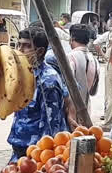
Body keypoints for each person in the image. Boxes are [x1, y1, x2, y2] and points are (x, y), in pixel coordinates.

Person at [8, 27, 73, 159]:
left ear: (40, 51)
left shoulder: (47, 81)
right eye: (19, 44)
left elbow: (50, 127)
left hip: (35, 151)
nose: (20, 50)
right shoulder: (23, 74)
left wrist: (41, 158)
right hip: (20, 145)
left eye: (27, 46)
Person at [67, 24, 99, 110]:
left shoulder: (71, 57)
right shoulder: (94, 59)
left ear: (72, 38)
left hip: (71, 108)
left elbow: (67, 84)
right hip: (86, 106)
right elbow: (93, 91)